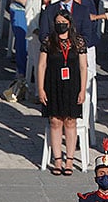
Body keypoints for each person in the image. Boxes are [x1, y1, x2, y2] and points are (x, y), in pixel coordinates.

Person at [38, 9, 88, 175]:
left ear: (69, 23)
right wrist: (40, 88)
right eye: (58, 23)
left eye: (63, 23)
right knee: (55, 121)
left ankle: (70, 160)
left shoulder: (78, 42)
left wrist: (82, 89)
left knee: (70, 121)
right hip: (53, 84)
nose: (61, 26)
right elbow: (42, 65)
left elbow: (83, 67)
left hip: (72, 85)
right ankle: (57, 159)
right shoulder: (48, 41)